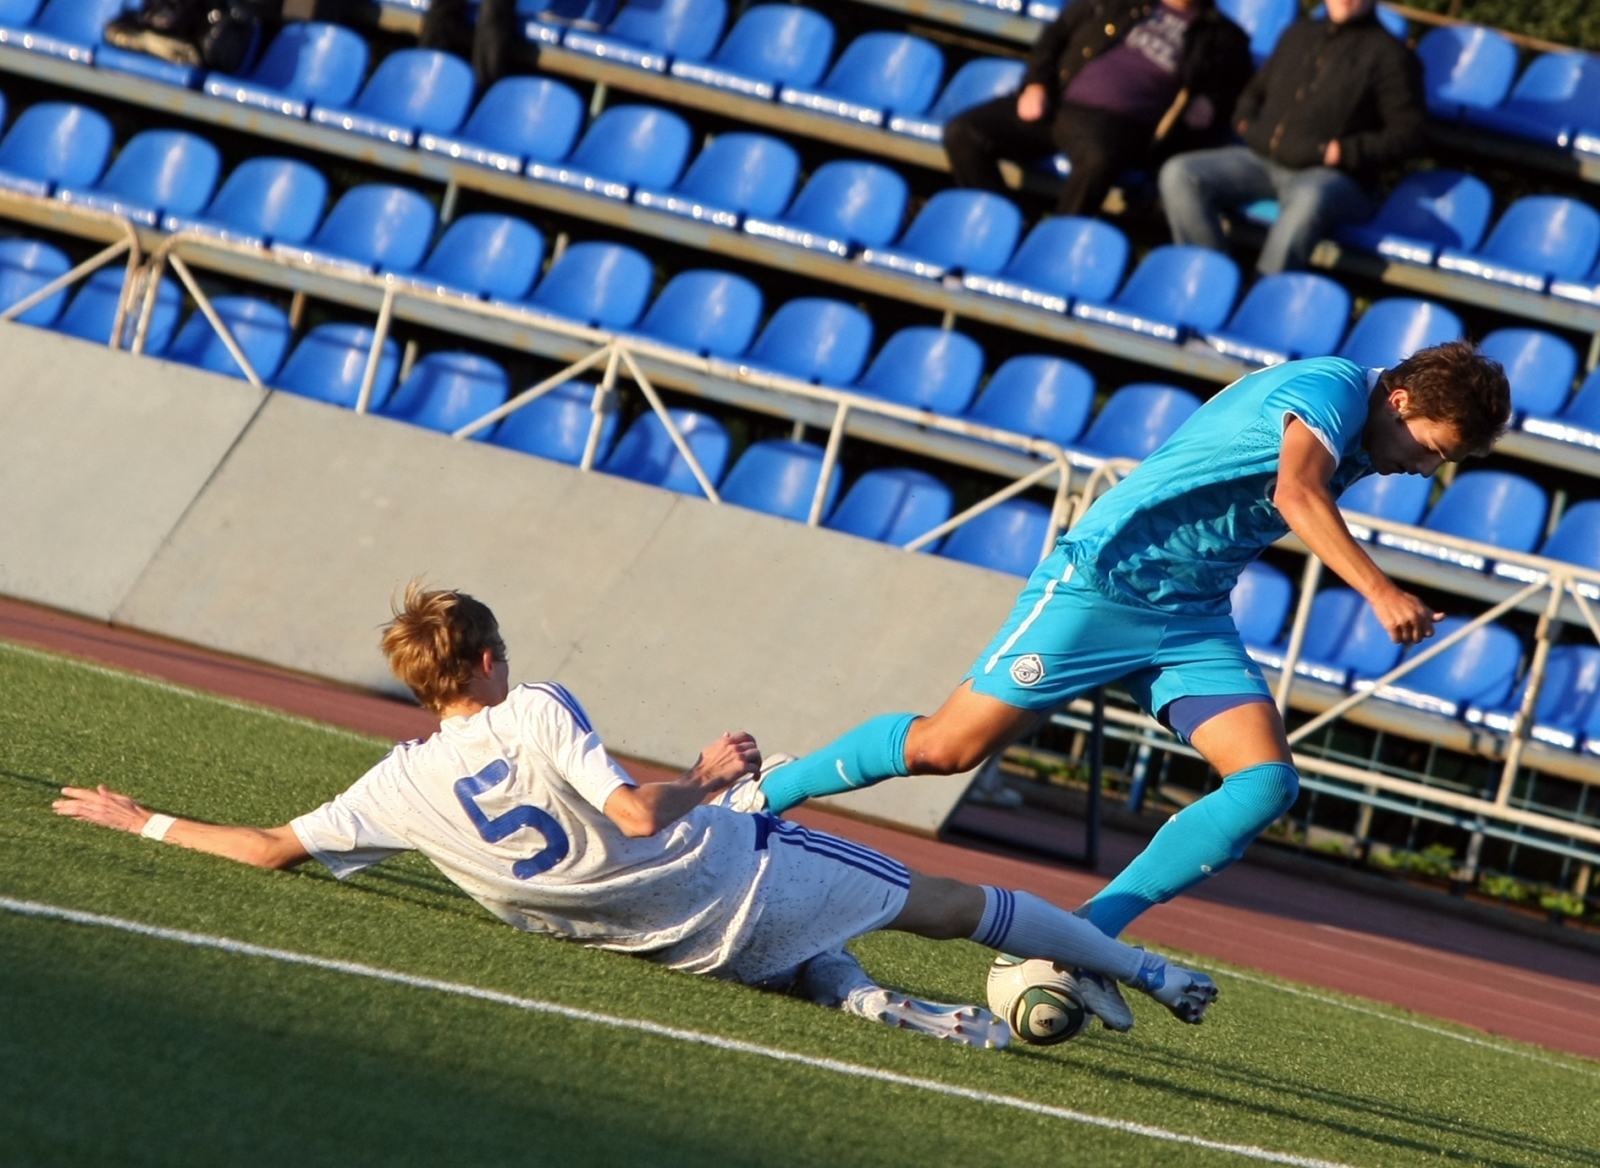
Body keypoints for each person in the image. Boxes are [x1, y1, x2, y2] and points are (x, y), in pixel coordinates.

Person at [53, 583, 1218, 1045]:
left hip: (672, 950)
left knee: (805, 932)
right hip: (737, 880)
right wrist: (711, 775)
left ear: (423, 683)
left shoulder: (394, 784)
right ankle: (1148, 972)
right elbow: (639, 811)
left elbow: (264, 852)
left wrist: (139, 819)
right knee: (960, 903)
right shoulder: (537, 705)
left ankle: (870, 999)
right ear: (493, 656)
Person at [739, 341, 1510, 1028]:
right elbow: (1295, 494)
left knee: (1265, 783)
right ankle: (766, 793)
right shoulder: (1334, 387)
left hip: (1190, 617)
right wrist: (1380, 592)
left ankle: (1082, 942)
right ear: (1401, 399)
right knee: (947, 748)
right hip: (1101, 586)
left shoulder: (1365, 432)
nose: (1423, 468)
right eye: (1431, 449)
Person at [1158, 0, 1427, 275]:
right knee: (1179, 173)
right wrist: (1245, 123)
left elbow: (1409, 135)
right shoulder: (1298, 34)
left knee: (1309, 198)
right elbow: (1254, 91)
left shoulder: (1392, 57)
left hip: (1332, 176)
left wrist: (1344, 151)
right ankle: (1214, 282)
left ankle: (1266, 296)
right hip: (1262, 161)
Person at [943, 0, 1253, 218]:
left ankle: (1056, 246)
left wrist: (1210, 102)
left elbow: (1240, 92)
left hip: (1117, 125)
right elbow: (1055, 37)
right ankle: (1002, 225)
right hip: (1057, 102)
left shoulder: (1224, 36)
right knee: (963, 133)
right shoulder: (1115, 2)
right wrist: (1035, 84)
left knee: (1098, 161)